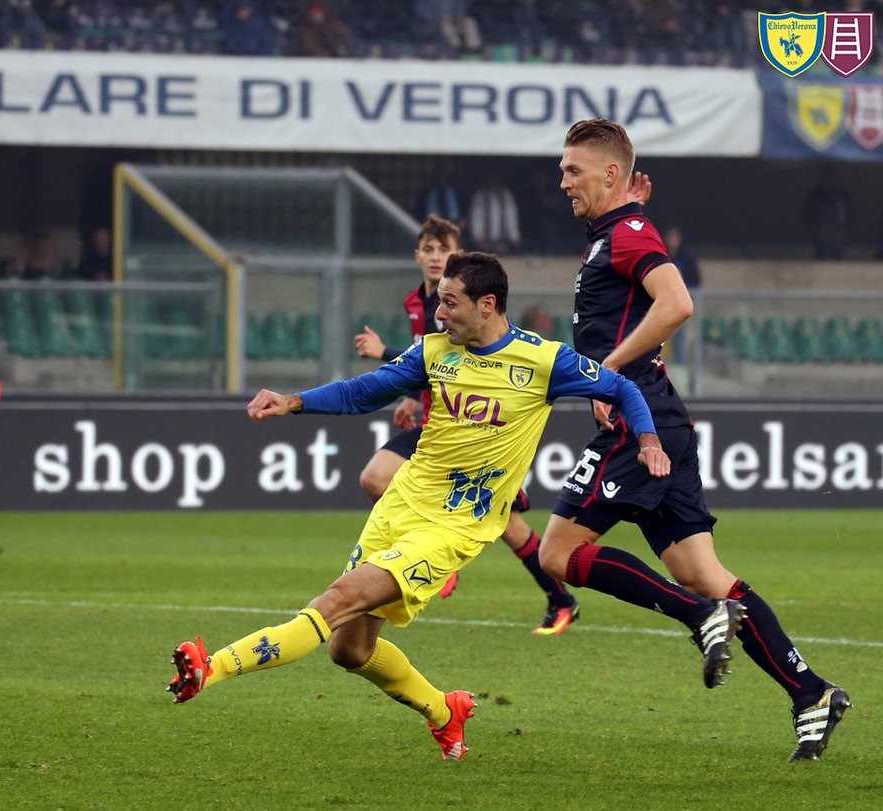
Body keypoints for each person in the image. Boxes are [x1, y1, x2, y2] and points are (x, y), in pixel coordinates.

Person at [168, 251, 700, 761]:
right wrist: (294, 401)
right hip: (401, 506)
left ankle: (211, 668)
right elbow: (364, 391)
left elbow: (624, 388)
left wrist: (648, 439)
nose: (439, 314)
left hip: (453, 527)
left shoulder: (544, 360)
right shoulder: (433, 351)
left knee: (337, 600)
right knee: (349, 649)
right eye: (439, 301)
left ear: (487, 305)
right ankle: (446, 712)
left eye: (450, 303)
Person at [541, 117, 850, 762]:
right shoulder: (617, 232)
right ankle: (811, 692)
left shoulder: (626, 234)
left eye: (573, 170)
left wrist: (607, 371)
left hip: (639, 421)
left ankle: (696, 616)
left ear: (610, 173)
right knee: (704, 573)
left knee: (558, 553)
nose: (563, 180)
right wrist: (631, 211)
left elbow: (677, 303)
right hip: (662, 419)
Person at [353, 215, 578, 634]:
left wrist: (383, 351)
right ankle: (427, 552)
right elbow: (428, 362)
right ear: (417, 255)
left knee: (508, 526)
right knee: (375, 477)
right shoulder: (416, 303)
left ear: (458, 256)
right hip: (438, 427)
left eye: (445, 249)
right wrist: (409, 396)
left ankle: (558, 597)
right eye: (429, 249)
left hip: (474, 431)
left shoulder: (463, 302)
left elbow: (462, 358)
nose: (436, 257)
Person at [663, 225, 700, 363]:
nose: (672, 241)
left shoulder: (687, 258)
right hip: (662, 305)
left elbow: (696, 282)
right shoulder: (661, 256)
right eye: (670, 238)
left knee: (680, 335)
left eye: (675, 238)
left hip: (681, 305)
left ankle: (680, 363)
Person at [803, 165, 851, 260]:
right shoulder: (815, 197)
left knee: (838, 256)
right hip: (819, 237)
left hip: (839, 235)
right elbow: (809, 217)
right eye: (827, 177)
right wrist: (817, 230)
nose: (830, 180)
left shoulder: (842, 196)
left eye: (832, 177)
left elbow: (848, 218)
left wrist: (842, 230)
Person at [467, 174, 522, 254]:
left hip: (503, 241)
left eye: (497, 180)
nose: (495, 182)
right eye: (492, 180)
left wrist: (515, 238)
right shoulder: (480, 196)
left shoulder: (506, 195)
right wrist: (477, 237)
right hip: (484, 241)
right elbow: (476, 217)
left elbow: (511, 217)